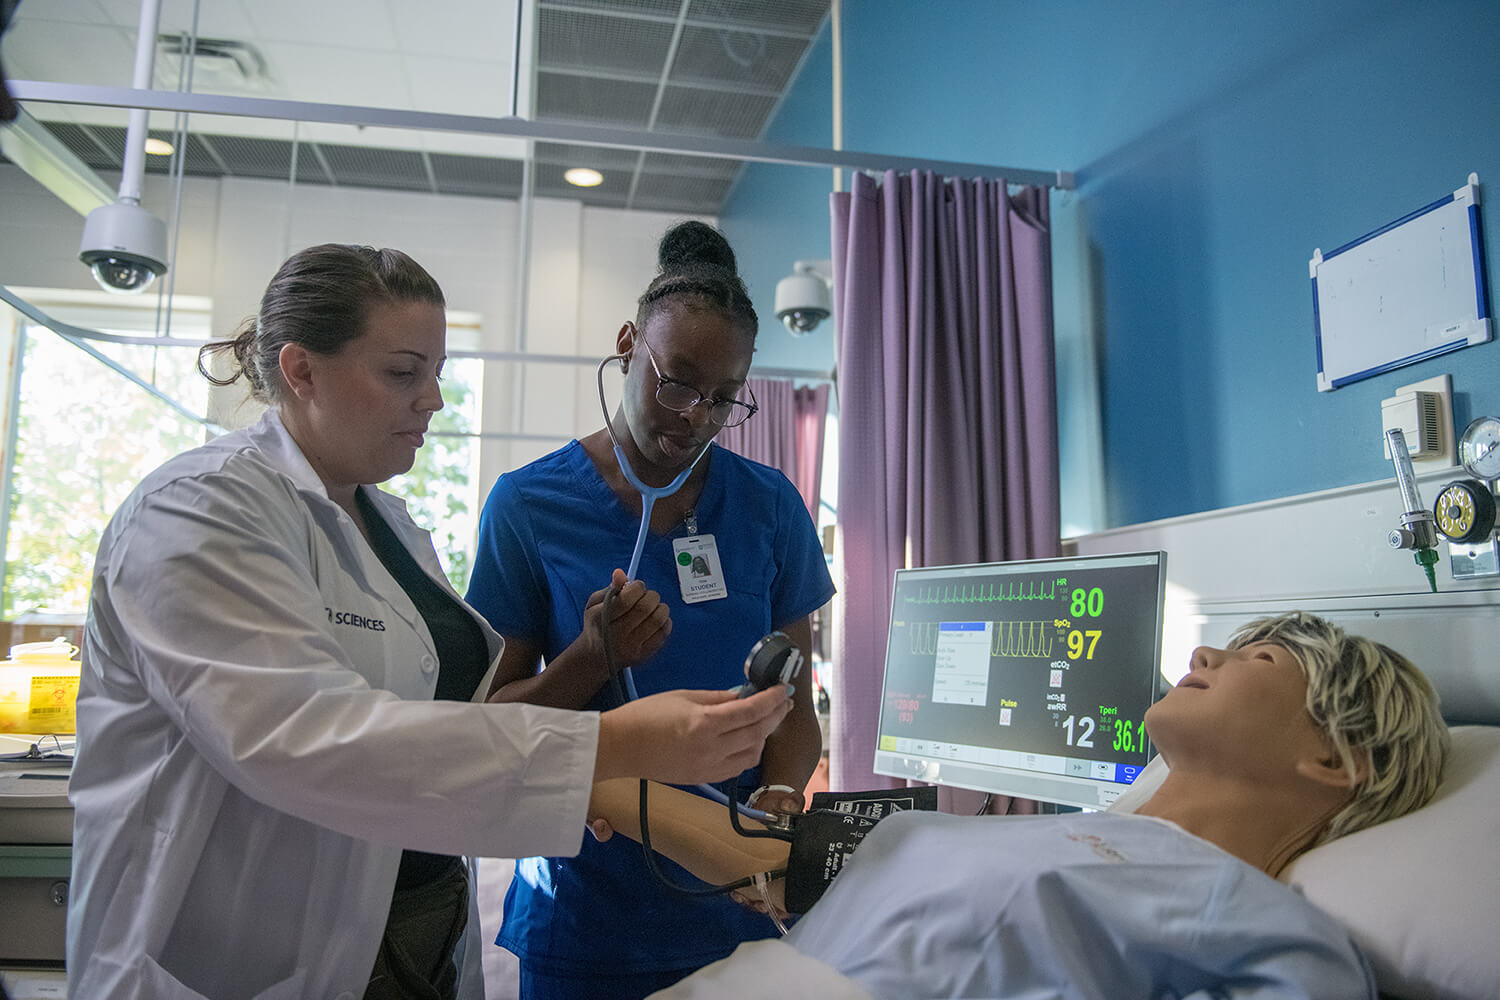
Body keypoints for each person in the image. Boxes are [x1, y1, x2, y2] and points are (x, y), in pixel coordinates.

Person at [65, 243, 796, 1000]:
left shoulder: (390, 530)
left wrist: (620, 786)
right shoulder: (195, 512)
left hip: (412, 938)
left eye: (437, 373)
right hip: (232, 962)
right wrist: (615, 744)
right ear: (300, 369)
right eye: (402, 372)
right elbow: (310, 741)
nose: (434, 401)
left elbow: (446, 732)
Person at [588, 611, 1451, 999]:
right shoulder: (1037, 839)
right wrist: (586, 775)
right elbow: (766, 856)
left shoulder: (1278, 933)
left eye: (1260, 662)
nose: (1206, 650)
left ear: (1333, 758)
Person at [465, 220, 835, 998]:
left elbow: (792, 704)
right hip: (584, 912)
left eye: (724, 399)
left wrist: (774, 803)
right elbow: (491, 724)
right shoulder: (529, 505)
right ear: (629, 343)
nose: (695, 415)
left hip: (737, 905)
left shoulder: (769, 506)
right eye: (676, 381)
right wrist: (590, 659)